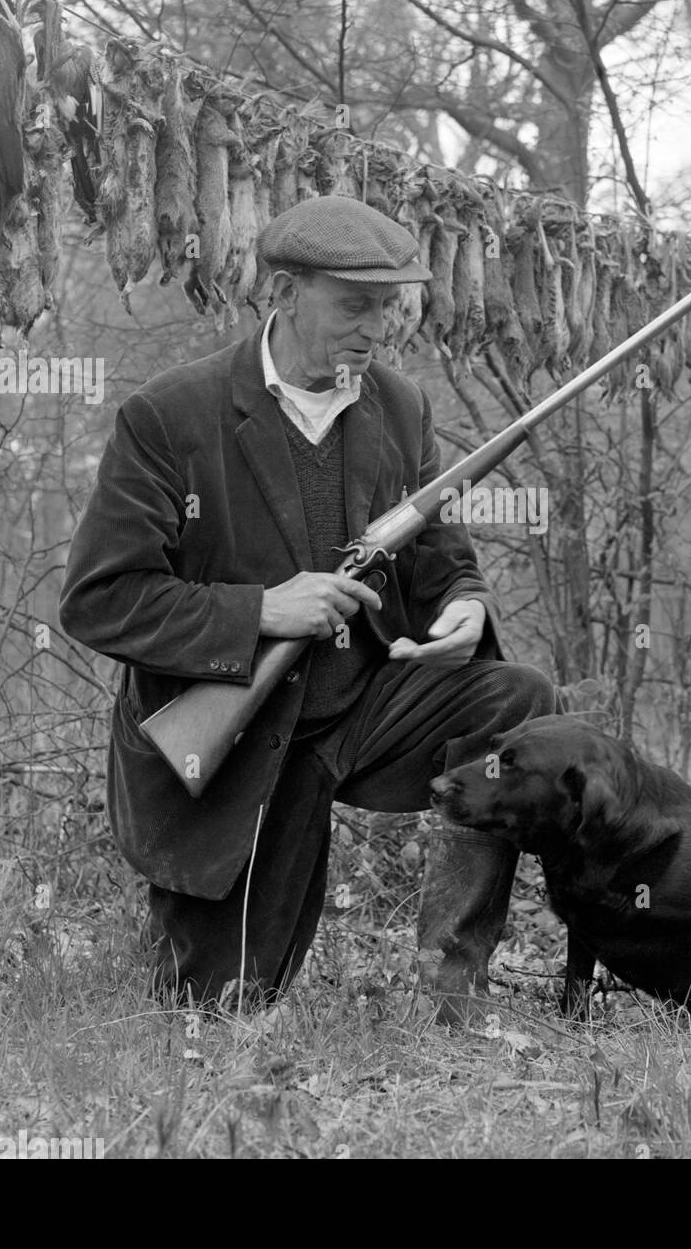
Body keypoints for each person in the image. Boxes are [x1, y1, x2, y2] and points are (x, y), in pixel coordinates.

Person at [59, 195, 555, 1016]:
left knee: (518, 701)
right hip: (243, 728)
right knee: (218, 1006)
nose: (377, 327)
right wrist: (260, 610)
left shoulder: (398, 405)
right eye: (354, 305)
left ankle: (452, 986)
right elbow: (100, 601)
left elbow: (436, 553)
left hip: (364, 709)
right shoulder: (170, 418)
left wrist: (465, 603)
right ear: (285, 293)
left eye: (388, 307)